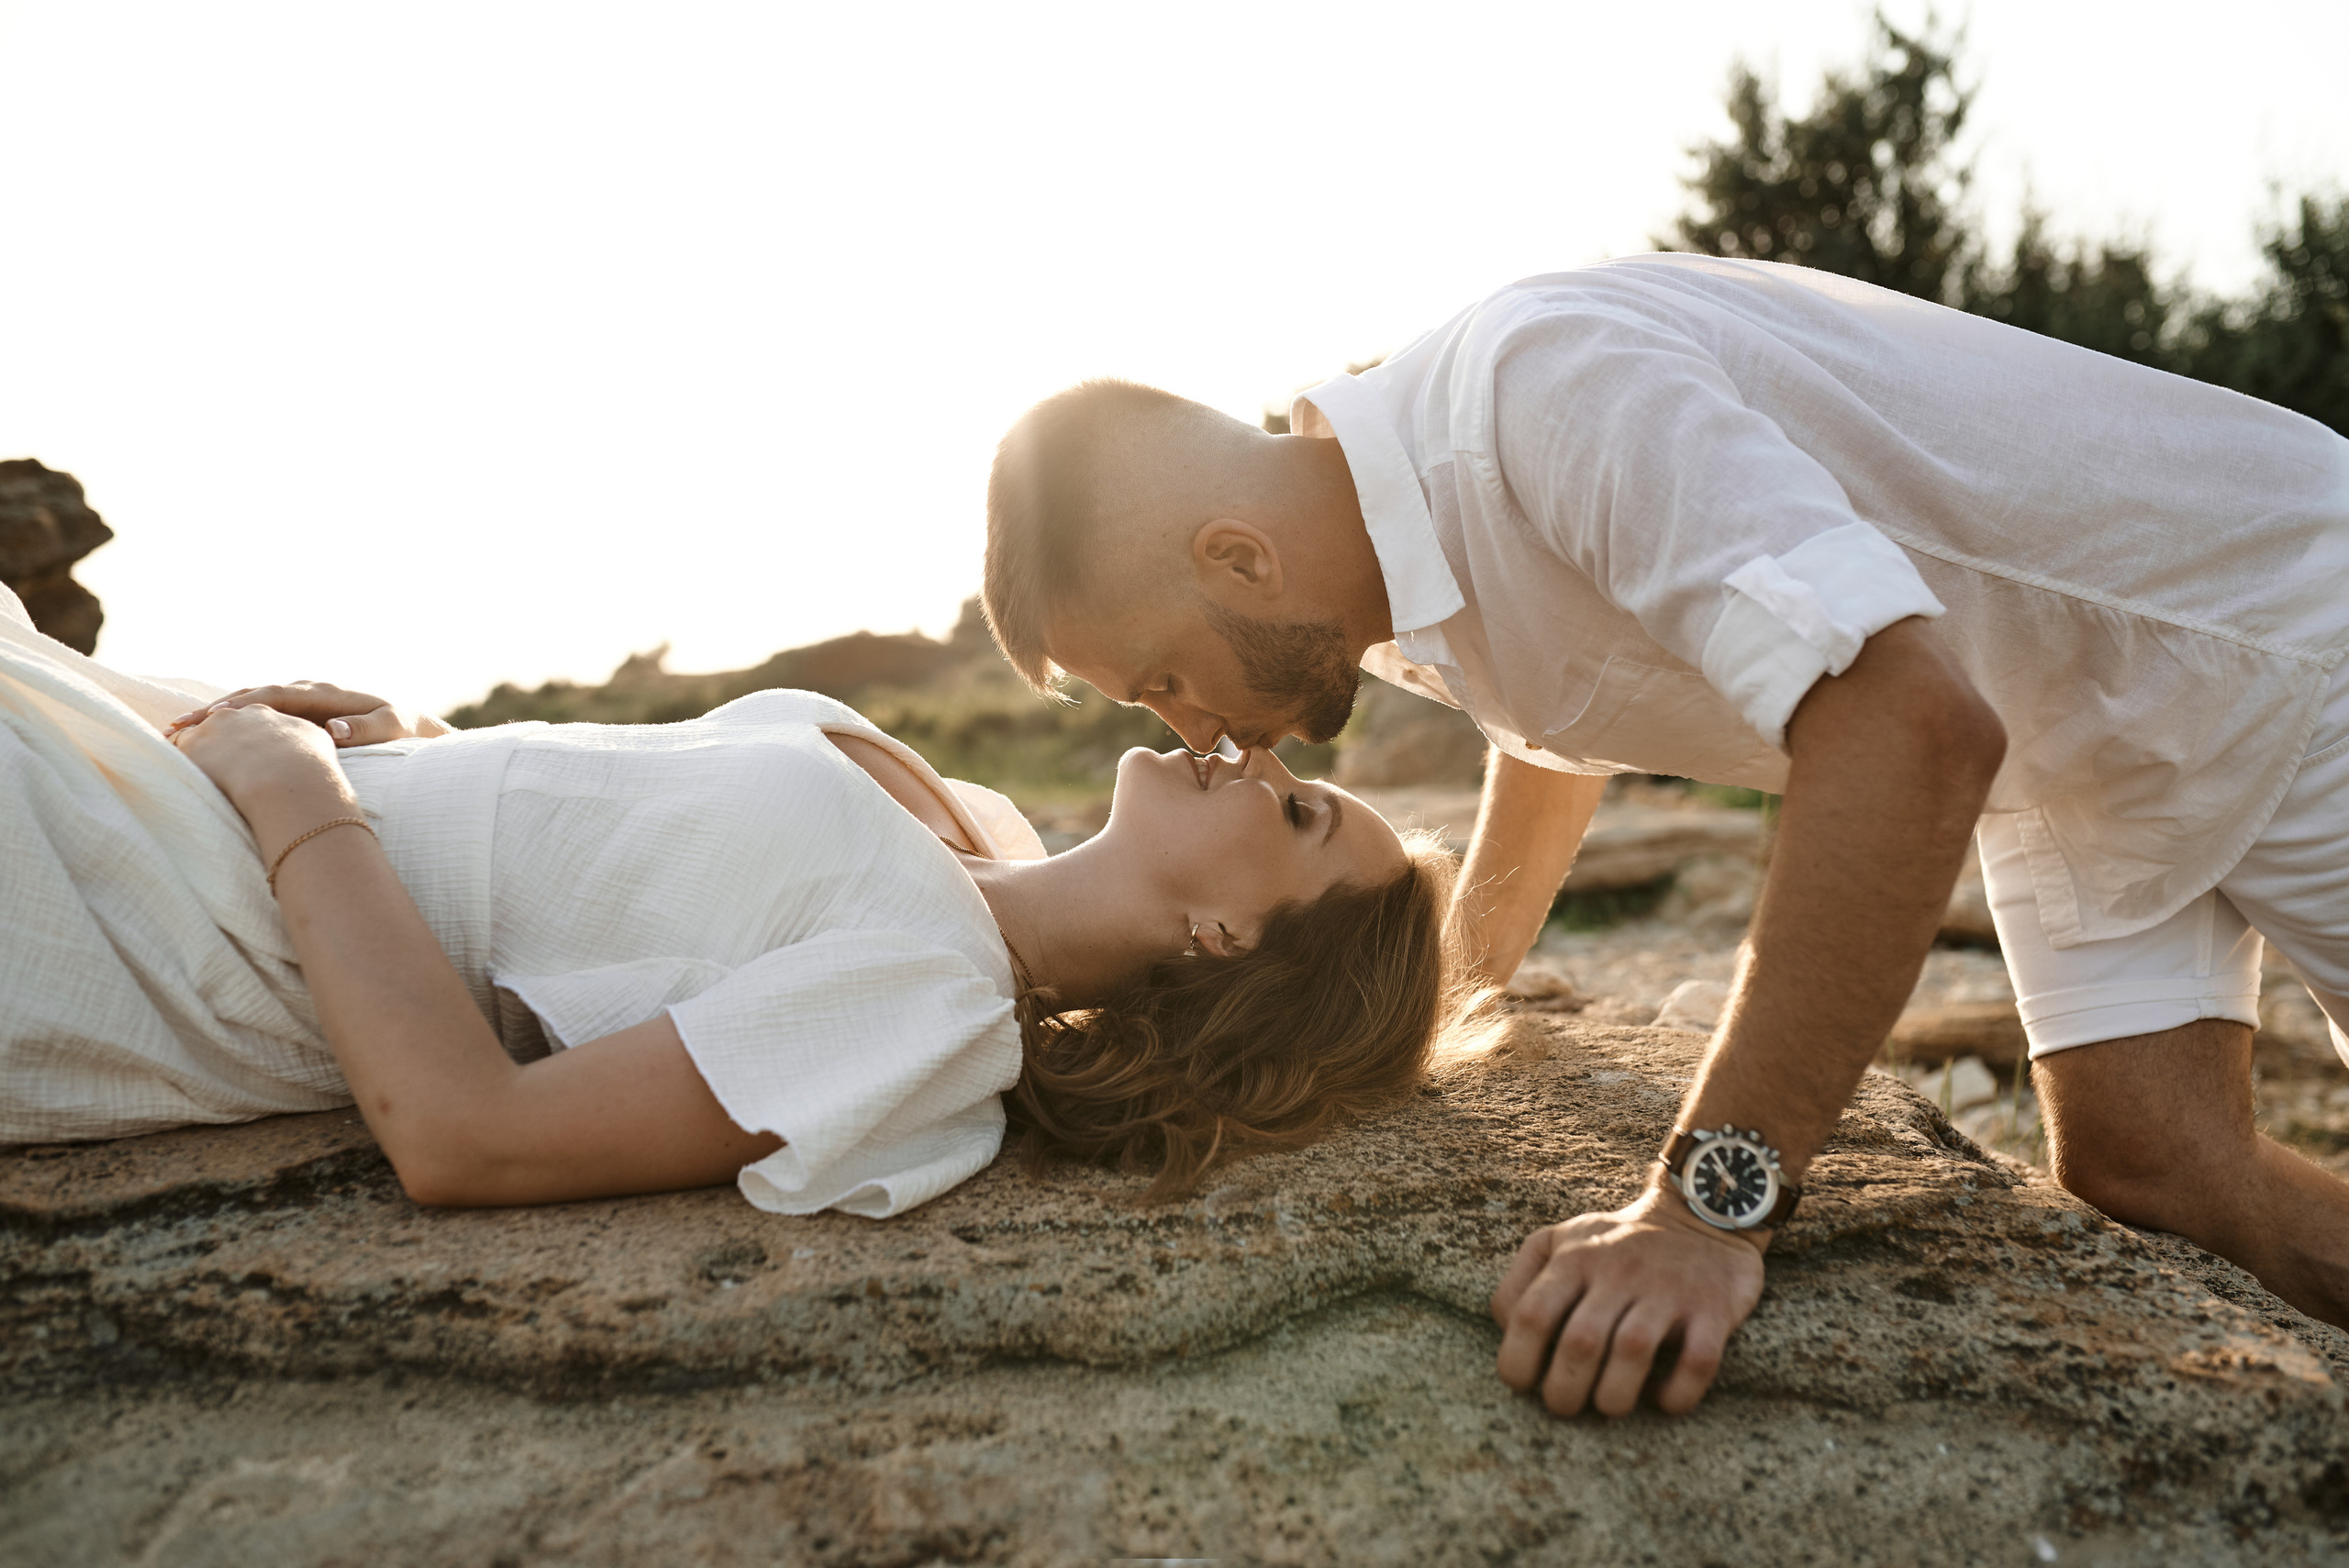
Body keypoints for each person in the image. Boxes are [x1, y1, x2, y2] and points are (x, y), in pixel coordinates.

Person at [981, 250, 2349, 1418]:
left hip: (2274, 629)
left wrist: (1707, 1209)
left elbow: (1905, 727)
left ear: (1238, 560)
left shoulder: (1546, 394)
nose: (1194, 733)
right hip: (2075, 754)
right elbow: (1554, 718)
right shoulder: (1374, 587)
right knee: (2150, 1164)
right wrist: (1453, 988)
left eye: (1164, 678)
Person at [0, 584, 1462, 1217]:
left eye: (1300, 810)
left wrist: (296, 796)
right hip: (182, 769)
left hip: (152, 913)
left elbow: (468, 1137)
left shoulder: (931, 1005)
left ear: (1228, 942)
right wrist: (420, 751)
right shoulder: (971, 825)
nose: (1263, 754)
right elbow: (620, 872)